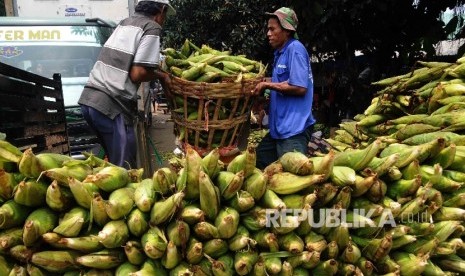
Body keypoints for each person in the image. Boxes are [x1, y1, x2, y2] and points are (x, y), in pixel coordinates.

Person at [78, 0, 175, 168]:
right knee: (126, 170)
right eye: (165, 15)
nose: (164, 20)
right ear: (161, 10)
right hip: (112, 105)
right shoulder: (151, 26)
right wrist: (163, 76)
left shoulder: (125, 23)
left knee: (113, 168)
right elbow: (137, 74)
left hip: (89, 101)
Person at [252, 7, 316, 170]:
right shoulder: (281, 53)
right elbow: (280, 81)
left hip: (294, 131)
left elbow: (299, 86)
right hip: (278, 131)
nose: (268, 33)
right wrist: (260, 83)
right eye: (268, 29)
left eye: (272, 29)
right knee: (257, 162)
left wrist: (267, 84)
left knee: (293, 177)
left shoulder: (295, 49)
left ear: (287, 30)